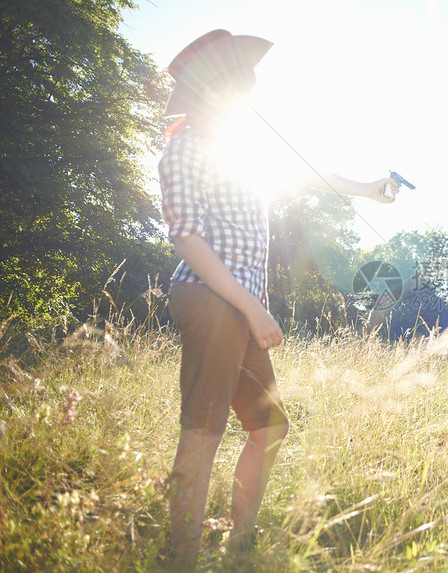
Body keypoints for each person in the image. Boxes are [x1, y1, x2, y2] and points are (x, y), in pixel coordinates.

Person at [159, 29, 398, 567]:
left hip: (239, 307)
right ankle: (180, 556)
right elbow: (186, 238)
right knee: (203, 430)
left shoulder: (240, 148)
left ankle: (238, 540)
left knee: (269, 428)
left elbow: (306, 174)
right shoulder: (185, 150)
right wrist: (251, 305)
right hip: (211, 298)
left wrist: (368, 188)